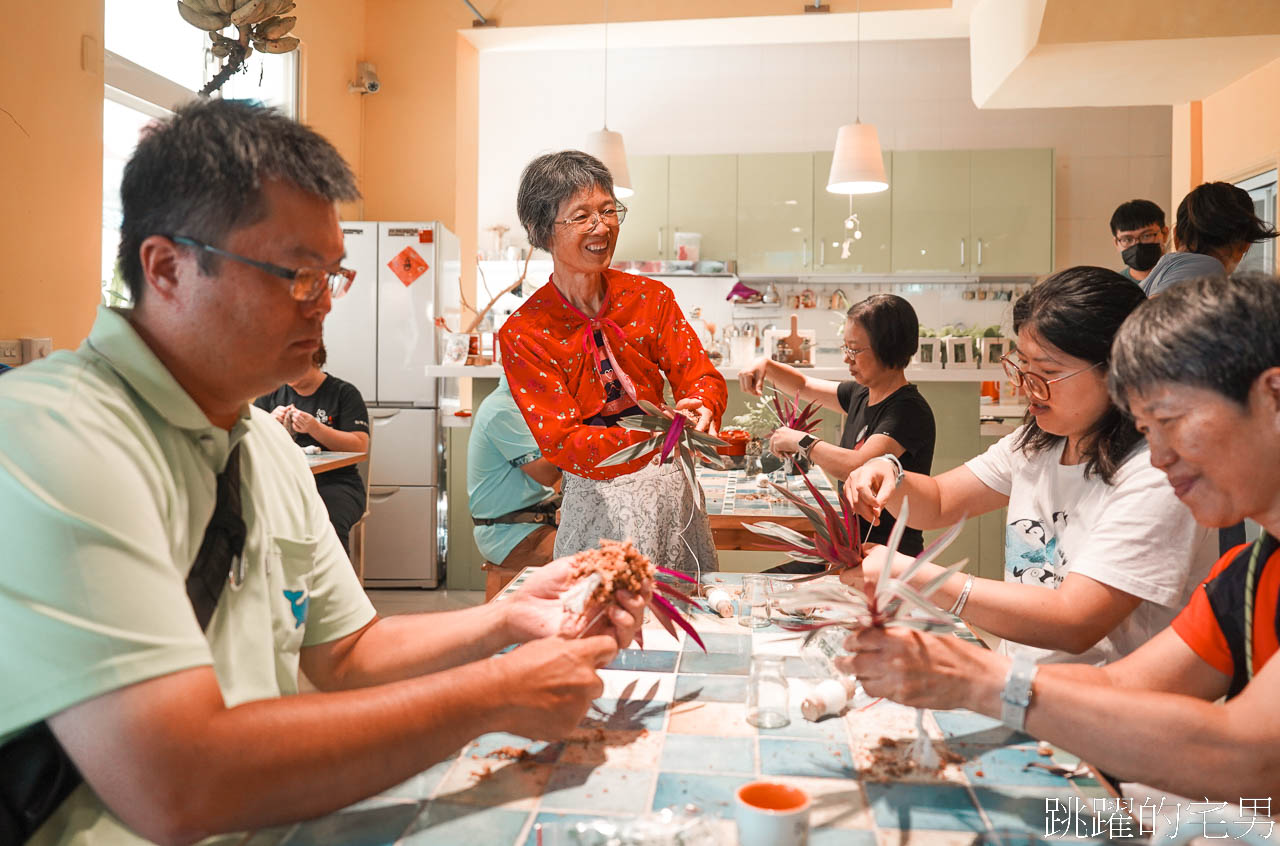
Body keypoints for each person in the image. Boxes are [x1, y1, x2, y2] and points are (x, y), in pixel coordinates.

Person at [0, 99, 645, 846]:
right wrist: (493, 694)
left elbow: (347, 652)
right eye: (296, 275)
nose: (324, 307)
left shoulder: (262, 444)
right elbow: (178, 782)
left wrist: (508, 615)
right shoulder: (51, 436)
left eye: (331, 275)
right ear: (167, 267)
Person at [840, 273, 1280, 802]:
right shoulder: (1251, 574)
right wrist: (979, 681)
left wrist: (981, 676)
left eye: (1169, 420)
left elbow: (1252, 757)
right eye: (1146, 428)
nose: (1160, 456)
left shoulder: (1152, 479)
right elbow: (1123, 690)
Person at [844, 267, 1216, 666]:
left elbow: (1075, 621)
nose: (1024, 386)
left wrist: (917, 577)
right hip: (1022, 685)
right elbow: (937, 502)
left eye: (1048, 372)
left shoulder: (1158, 474)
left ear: (1119, 370)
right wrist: (887, 473)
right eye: (1022, 365)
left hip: (1103, 709)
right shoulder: (1038, 442)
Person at [499, 150, 728, 575]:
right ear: (543, 231)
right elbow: (562, 440)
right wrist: (653, 439)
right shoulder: (524, 332)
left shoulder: (650, 298)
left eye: (608, 210)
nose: (601, 226)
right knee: (599, 619)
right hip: (595, 497)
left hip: (668, 488)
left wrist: (701, 404)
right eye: (581, 215)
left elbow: (700, 375)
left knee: (678, 608)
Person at [738, 294, 935, 558]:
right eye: (846, 349)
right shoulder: (862, 394)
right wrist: (766, 364)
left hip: (888, 560)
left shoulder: (908, 410)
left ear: (888, 348)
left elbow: (858, 465)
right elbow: (803, 386)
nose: (847, 359)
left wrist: (802, 441)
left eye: (855, 350)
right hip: (853, 552)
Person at [255, 341, 369, 552]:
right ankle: (280, 583)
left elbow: (360, 446)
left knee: (327, 518)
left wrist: (316, 429)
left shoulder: (344, 393)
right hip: (283, 484)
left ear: (315, 359)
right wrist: (268, 423)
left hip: (336, 483)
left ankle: (333, 585)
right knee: (255, 518)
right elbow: (249, 440)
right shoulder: (270, 393)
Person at [469, 375, 562, 599]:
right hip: (512, 534)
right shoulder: (504, 410)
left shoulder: (525, 405)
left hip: (530, 522)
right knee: (590, 561)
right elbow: (548, 475)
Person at [1142, 181, 1277, 297]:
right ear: (1244, 244)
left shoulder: (1165, 267)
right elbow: (1159, 319)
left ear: (1175, 236)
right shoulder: (1206, 267)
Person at [1109, 199, 1168, 284]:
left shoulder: (1182, 278)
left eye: (1146, 236)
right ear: (1116, 243)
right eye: (1127, 239)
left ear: (1165, 233)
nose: (1136, 244)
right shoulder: (1114, 287)